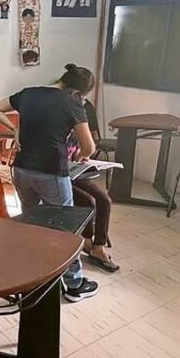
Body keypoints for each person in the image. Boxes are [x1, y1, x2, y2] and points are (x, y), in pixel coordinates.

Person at [0, 63, 100, 302]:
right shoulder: (73, 103)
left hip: (21, 171)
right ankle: (74, 284)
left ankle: (33, 276)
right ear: (78, 93)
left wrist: (14, 130)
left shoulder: (28, 93)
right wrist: (81, 157)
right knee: (66, 230)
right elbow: (89, 147)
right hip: (52, 173)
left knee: (32, 224)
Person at [68, 100, 118, 273]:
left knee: (104, 199)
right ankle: (87, 241)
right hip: (60, 177)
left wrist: (82, 159)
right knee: (88, 201)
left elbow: (80, 151)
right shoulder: (59, 129)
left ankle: (99, 247)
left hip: (76, 173)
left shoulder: (80, 133)